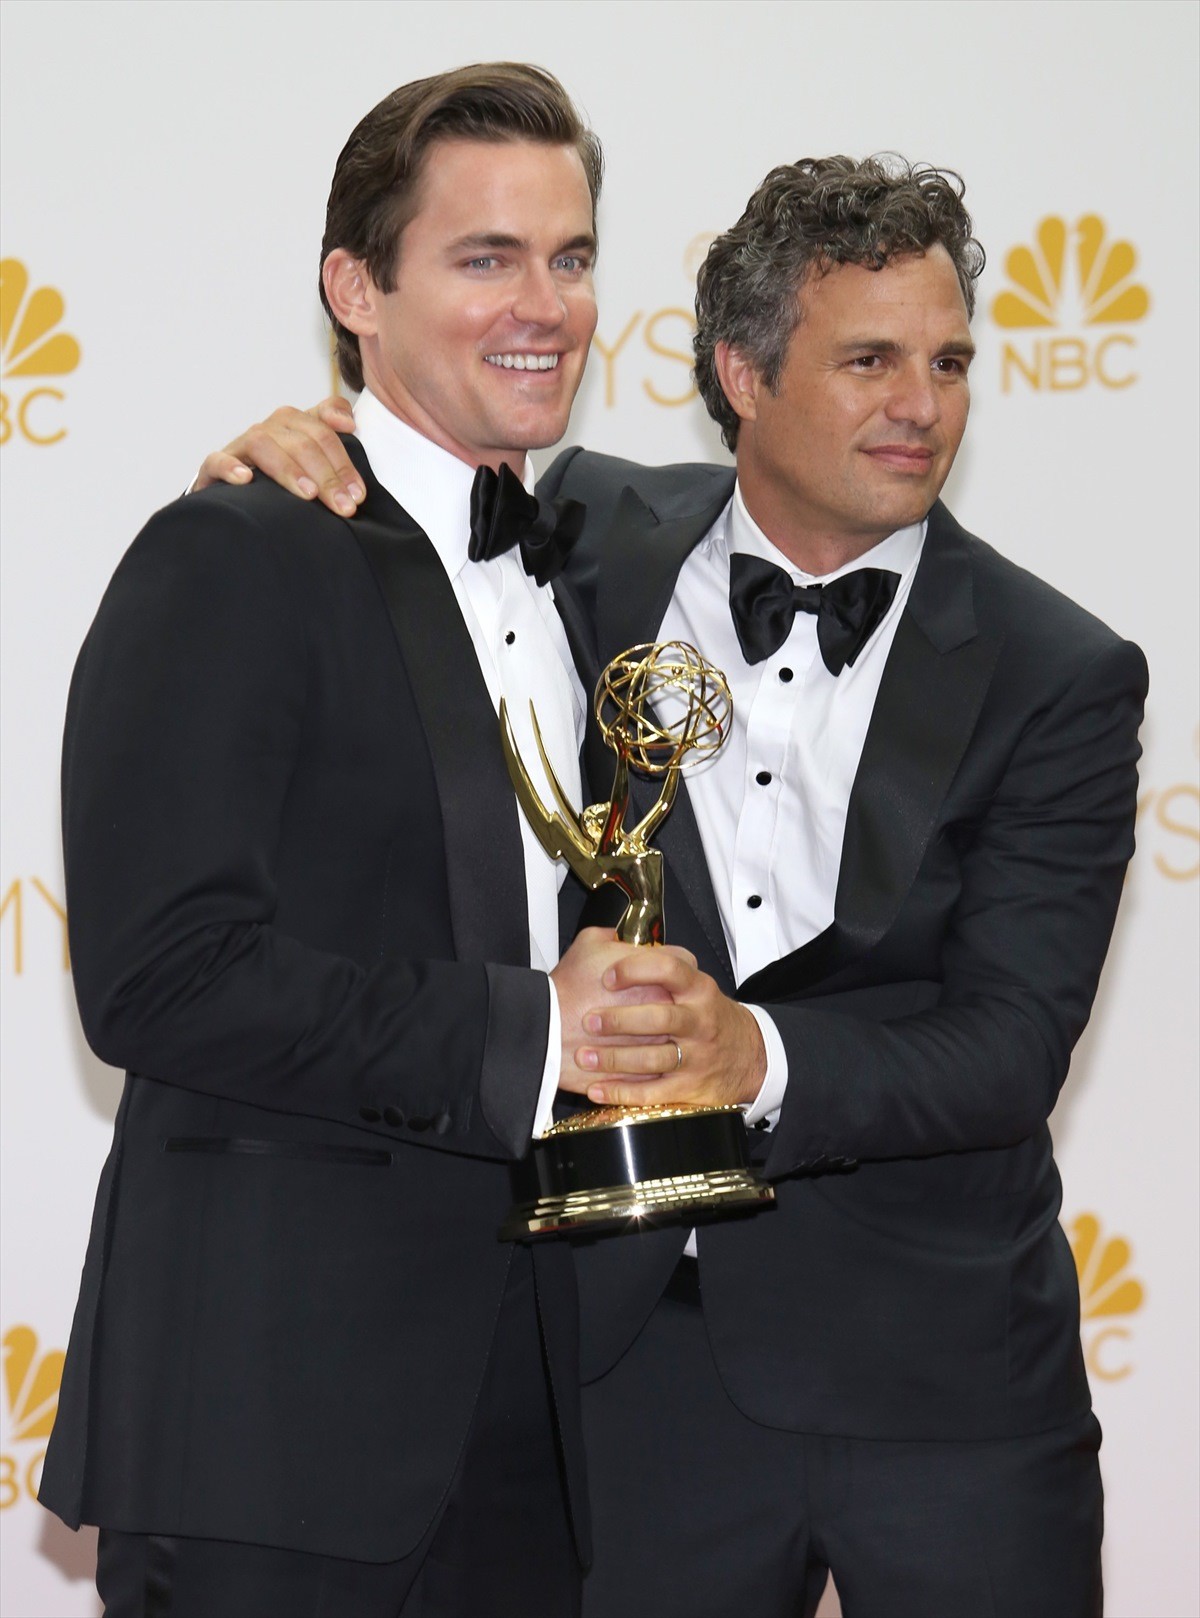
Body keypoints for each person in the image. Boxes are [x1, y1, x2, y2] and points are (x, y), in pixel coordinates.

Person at [195, 156, 1147, 1618]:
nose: (923, 404)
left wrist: (751, 1058)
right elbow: (405, 505)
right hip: (627, 1367)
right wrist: (297, 459)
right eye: (870, 361)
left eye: (951, 362)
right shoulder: (580, 535)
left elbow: (1013, 1045)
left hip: (945, 1378)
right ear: (741, 375)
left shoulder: (1060, 668)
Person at [38, 63, 688, 1618]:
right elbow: (158, 977)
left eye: (572, 256)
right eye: (485, 258)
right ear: (356, 289)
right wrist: (533, 1029)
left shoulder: (606, 563)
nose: (546, 306)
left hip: (540, 1421)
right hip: (274, 1428)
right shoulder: (232, 552)